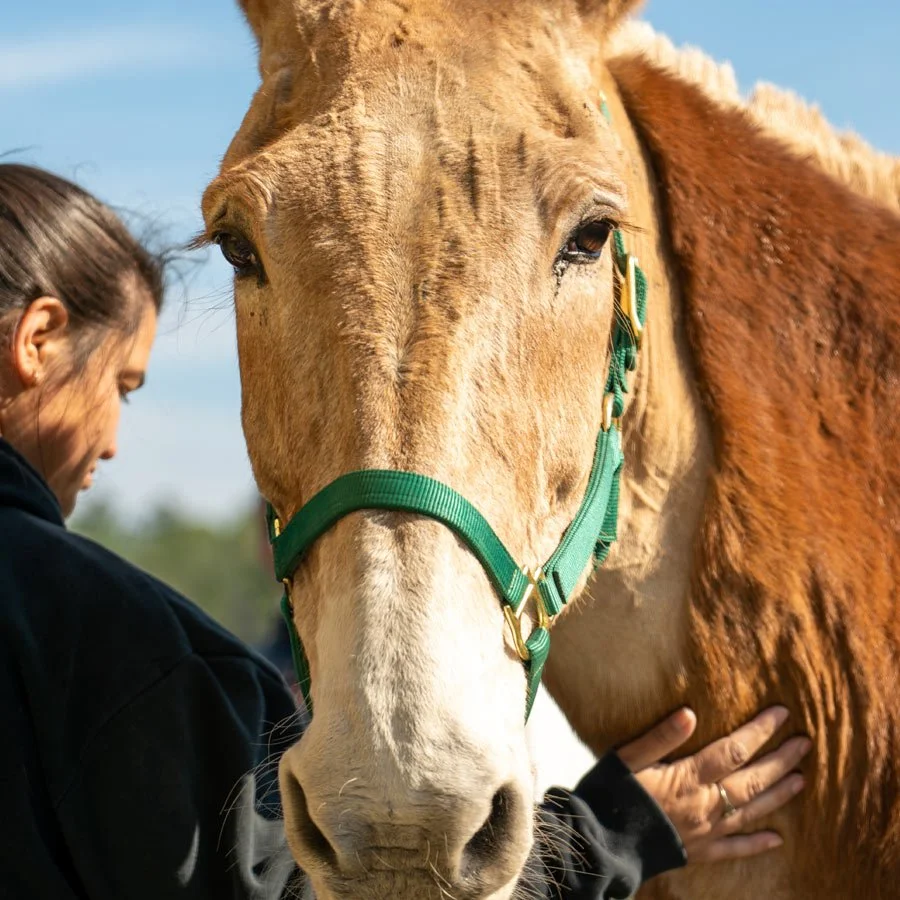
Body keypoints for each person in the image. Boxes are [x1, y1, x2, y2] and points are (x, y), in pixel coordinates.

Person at [0, 164, 810, 900]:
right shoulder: (117, 655)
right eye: (124, 386)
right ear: (38, 342)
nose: (112, 441)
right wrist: (614, 833)